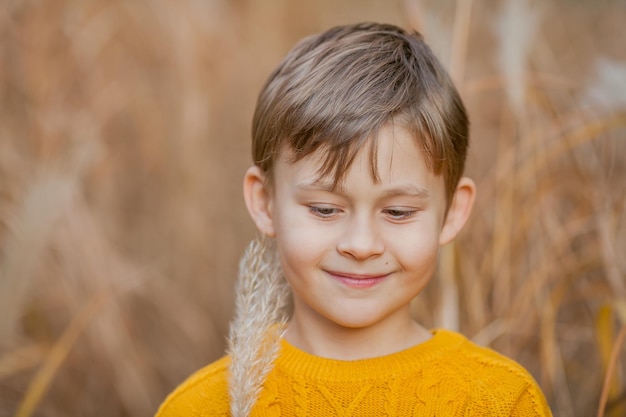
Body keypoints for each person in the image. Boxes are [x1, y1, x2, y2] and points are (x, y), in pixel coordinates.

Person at [155, 22, 552, 416]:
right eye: (325, 209)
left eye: (398, 212)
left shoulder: (498, 401)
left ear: (452, 211)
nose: (361, 245)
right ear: (264, 202)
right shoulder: (203, 407)